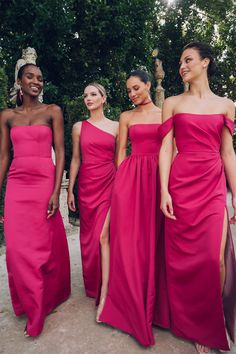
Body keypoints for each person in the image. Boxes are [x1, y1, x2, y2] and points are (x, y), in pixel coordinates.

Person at [159, 42, 236, 353]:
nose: (182, 65)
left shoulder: (227, 104)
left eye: (188, 59)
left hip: (213, 184)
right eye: (180, 61)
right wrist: (163, 188)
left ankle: (210, 318)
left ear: (206, 62)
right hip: (180, 184)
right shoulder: (173, 103)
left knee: (213, 258)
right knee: (184, 260)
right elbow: (166, 148)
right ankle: (196, 325)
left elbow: (228, 152)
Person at [0, 63, 71, 337]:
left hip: (44, 182)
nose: (36, 81)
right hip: (17, 185)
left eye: (40, 78)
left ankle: (38, 310)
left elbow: (61, 151)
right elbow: (5, 156)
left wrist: (56, 191)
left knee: (41, 248)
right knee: (18, 251)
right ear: (19, 81)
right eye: (30, 77)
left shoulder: (52, 111)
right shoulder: (7, 116)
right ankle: (31, 301)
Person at [99, 69, 166, 346]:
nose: (133, 94)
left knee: (157, 242)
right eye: (129, 90)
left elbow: (171, 149)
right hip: (131, 181)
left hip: (159, 178)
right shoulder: (126, 117)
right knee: (130, 243)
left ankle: (158, 307)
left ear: (149, 85)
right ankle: (129, 305)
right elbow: (120, 153)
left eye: (137, 88)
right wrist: (122, 186)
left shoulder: (166, 113)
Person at [67, 83, 118, 321]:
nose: (88, 98)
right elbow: (76, 159)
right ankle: (93, 284)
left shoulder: (117, 127)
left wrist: (123, 189)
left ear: (104, 98)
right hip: (87, 186)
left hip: (109, 184)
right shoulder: (79, 127)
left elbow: (120, 161)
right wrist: (70, 191)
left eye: (93, 94)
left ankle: (107, 288)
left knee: (103, 236)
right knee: (88, 239)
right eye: (85, 95)